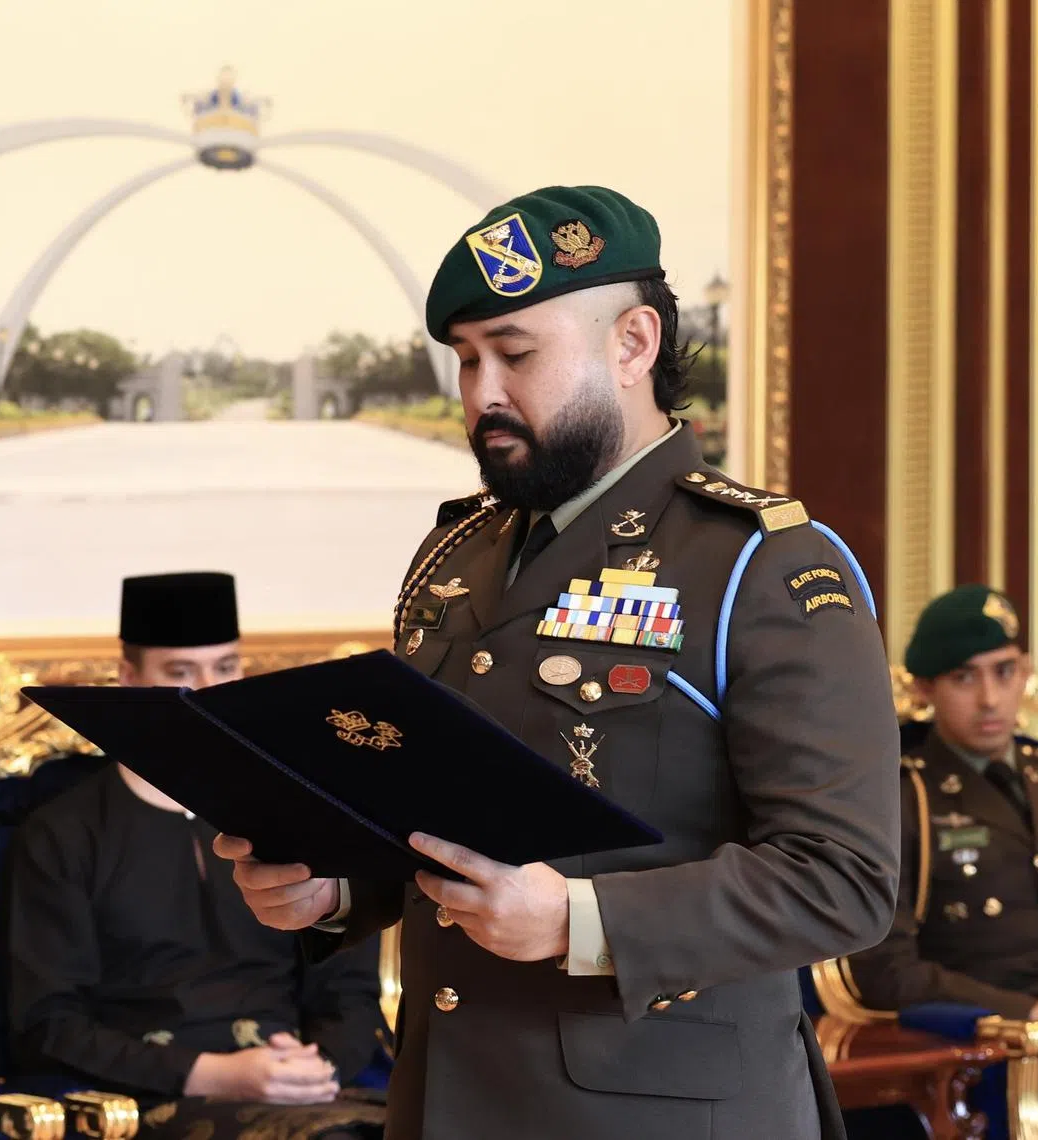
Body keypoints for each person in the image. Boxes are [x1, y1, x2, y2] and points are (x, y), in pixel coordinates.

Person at [215, 186, 901, 1140]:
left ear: (633, 344)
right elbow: (433, 814)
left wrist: (587, 921)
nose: (481, 394)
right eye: (465, 360)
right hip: (449, 1100)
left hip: (662, 1112)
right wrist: (337, 885)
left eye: (516, 354)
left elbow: (845, 879)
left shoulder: (763, 561)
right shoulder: (455, 556)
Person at [9, 571, 386, 1135]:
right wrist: (211, 1074)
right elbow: (47, 1022)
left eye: (226, 667)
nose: (209, 691)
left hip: (309, 1093)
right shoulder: (65, 831)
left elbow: (349, 992)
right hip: (157, 1095)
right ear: (129, 680)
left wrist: (317, 1069)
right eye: (181, 673)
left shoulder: (298, 812)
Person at [846, 584, 1038, 1133]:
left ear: (1026, 671)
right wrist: (1032, 1014)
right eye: (964, 677)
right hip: (987, 1038)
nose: (990, 699)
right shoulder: (904, 796)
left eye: (1004, 671)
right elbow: (885, 971)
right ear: (926, 687)